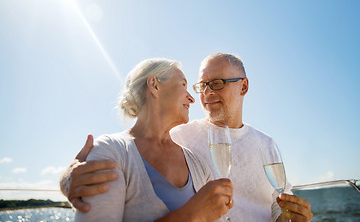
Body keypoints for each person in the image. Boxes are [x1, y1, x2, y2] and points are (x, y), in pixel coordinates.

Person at [61, 53, 313, 222]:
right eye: (200, 85)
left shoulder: (265, 144)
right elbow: (127, 148)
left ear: (243, 87)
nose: (204, 94)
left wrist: (291, 216)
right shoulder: (180, 135)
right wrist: (68, 176)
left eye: (217, 83)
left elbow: (279, 205)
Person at [70, 58, 234, 222]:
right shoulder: (110, 151)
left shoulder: (197, 164)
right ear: (155, 85)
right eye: (183, 85)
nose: (192, 98)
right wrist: (191, 215)